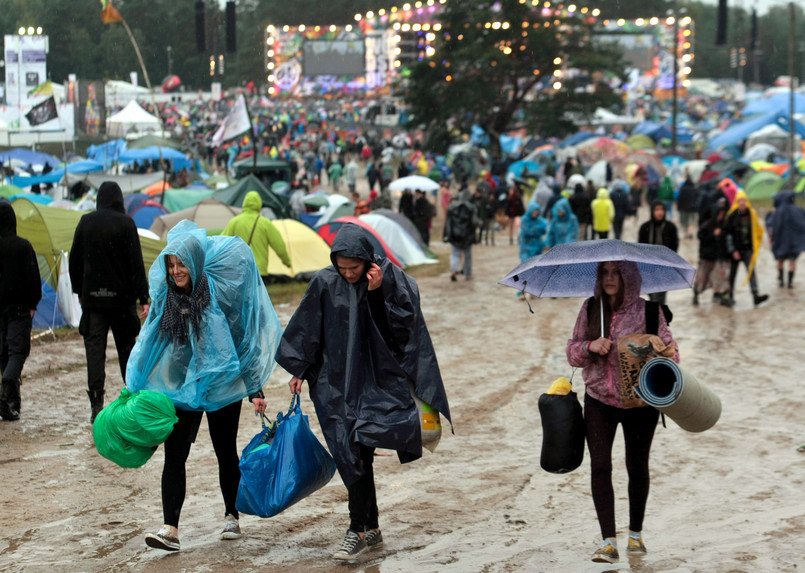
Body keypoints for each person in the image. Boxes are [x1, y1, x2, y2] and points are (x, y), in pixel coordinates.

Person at [276, 223, 451, 561]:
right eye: (342, 268)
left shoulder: (390, 279)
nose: (348, 274)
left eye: (353, 268)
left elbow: (404, 331)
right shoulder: (325, 282)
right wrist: (299, 368)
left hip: (378, 380)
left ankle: (359, 529)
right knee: (350, 449)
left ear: (367, 260)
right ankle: (367, 526)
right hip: (336, 383)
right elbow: (308, 327)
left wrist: (378, 292)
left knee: (361, 447)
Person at [126, 220, 281, 551]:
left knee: (224, 449)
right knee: (175, 454)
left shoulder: (217, 295)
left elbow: (241, 340)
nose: (176, 271)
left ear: (194, 262)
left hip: (221, 384)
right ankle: (170, 528)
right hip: (182, 388)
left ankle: (231, 516)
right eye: (171, 264)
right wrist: (136, 383)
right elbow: (151, 344)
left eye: (182, 264)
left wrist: (255, 388)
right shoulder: (166, 298)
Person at [567, 261, 679, 564]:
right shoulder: (591, 308)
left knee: (637, 466)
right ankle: (608, 542)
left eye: (617, 273)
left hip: (641, 405)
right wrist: (591, 346)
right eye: (605, 272)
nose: (610, 278)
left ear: (629, 277)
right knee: (600, 466)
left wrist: (655, 350)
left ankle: (636, 535)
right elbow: (572, 352)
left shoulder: (650, 313)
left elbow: (673, 355)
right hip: (598, 400)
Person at [70, 181, 150, 423]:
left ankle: (97, 404)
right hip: (122, 303)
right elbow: (136, 263)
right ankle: (132, 399)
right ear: (119, 199)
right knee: (127, 351)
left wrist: (79, 291)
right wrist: (142, 297)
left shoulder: (86, 222)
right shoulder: (126, 223)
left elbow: (75, 259)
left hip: (93, 302)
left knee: (95, 354)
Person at [0, 200, 41, 421]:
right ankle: (7, 387)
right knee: (17, 352)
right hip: (19, 308)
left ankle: (11, 405)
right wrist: (33, 303)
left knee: (4, 353)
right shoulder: (23, 246)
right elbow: (33, 279)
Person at [222, 190, 291, 283]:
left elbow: (222, 243)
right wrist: (287, 262)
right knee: (257, 297)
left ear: (244, 203)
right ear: (259, 205)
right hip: (259, 270)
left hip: (239, 269)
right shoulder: (265, 223)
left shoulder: (234, 222)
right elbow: (279, 244)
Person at [724, 191, 769, 307]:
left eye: (744, 200)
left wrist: (757, 244)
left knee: (751, 272)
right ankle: (730, 295)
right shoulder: (732, 215)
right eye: (740, 201)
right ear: (737, 202)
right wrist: (732, 250)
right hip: (735, 251)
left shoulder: (751, 214)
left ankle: (755, 295)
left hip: (748, 249)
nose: (742, 203)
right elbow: (728, 234)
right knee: (732, 274)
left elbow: (758, 229)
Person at [638, 201, 679, 304]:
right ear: (652, 211)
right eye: (657, 210)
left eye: (662, 210)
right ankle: (657, 316)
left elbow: (675, 246)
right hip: (648, 267)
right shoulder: (645, 227)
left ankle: (658, 316)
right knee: (652, 295)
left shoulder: (671, 227)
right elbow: (639, 247)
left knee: (660, 297)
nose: (660, 212)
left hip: (664, 267)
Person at [694, 200, 732, 306]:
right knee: (702, 279)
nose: (721, 216)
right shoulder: (707, 226)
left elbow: (726, 241)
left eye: (723, 214)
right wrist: (712, 235)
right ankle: (696, 295)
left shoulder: (724, 226)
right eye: (719, 214)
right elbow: (701, 237)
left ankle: (720, 296)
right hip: (707, 257)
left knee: (721, 277)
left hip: (719, 258)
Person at [766, 190, 805, 289]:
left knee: (780, 261)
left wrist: (771, 238)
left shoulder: (778, 211)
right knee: (792, 262)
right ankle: (790, 283)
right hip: (794, 243)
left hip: (781, 243)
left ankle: (781, 282)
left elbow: (772, 226)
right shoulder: (799, 210)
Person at [444, 188, 479, 281]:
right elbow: (474, 222)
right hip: (467, 235)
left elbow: (448, 222)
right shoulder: (472, 208)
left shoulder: (452, 207)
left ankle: (454, 271)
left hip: (455, 235)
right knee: (467, 255)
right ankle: (468, 274)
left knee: (455, 254)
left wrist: (447, 234)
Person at [676, 175, 699, 239]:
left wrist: (678, 207)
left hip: (684, 208)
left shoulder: (683, 189)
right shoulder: (695, 189)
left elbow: (680, 199)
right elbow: (698, 199)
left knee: (684, 221)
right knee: (691, 221)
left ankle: (686, 233)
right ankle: (690, 233)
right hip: (692, 208)